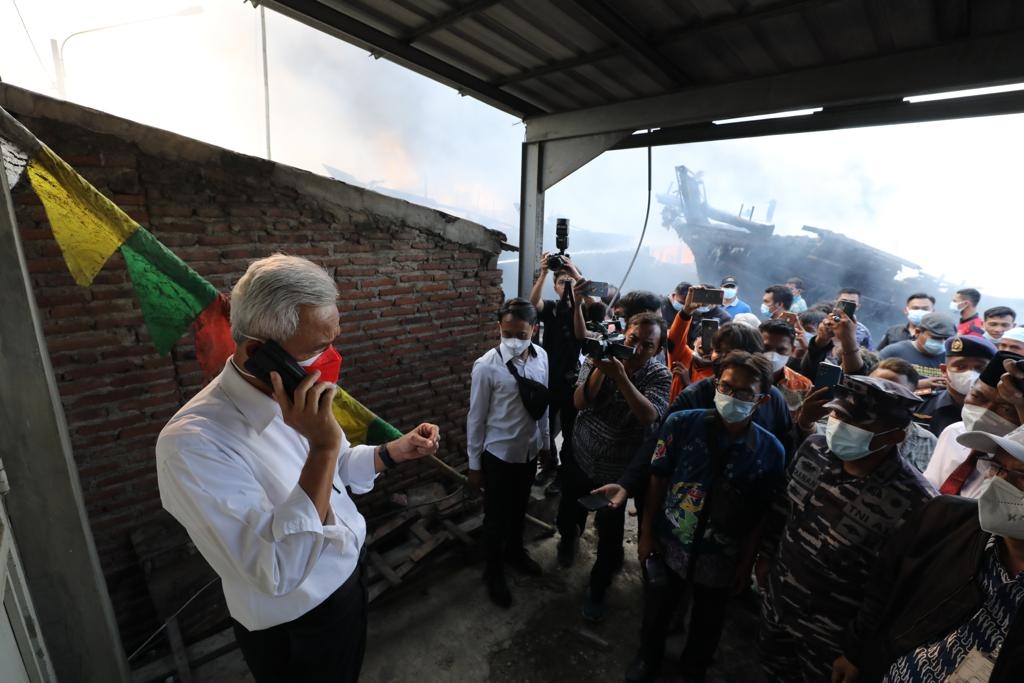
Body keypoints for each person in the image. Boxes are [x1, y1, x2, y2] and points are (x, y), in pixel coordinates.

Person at [156, 254, 441, 683]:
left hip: (349, 578)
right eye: (316, 350)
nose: (330, 359)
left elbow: (338, 469)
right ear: (259, 353)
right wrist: (321, 447)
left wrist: (392, 452)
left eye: (332, 341)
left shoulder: (293, 397)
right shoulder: (192, 444)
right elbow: (276, 568)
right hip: (299, 622)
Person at [757, 376, 935, 682]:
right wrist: (765, 555)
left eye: (856, 422)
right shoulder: (814, 450)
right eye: (837, 414)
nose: (839, 426)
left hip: (831, 638)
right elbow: (784, 508)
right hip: (778, 604)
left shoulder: (915, 500)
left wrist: (856, 651)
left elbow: (893, 587)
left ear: (894, 436)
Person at [625, 352, 786, 683]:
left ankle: (693, 668)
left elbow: (760, 513)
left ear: (762, 400)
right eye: (726, 386)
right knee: (657, 610)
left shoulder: (770, 451)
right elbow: (658, 481)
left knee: (708, 621)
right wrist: (647, 534)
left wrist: (746, 562)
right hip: (671, 543)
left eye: (744, 392)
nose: (732, 396)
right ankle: (647, 657)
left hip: (722, 557)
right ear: (715, 385)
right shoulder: (682, 424)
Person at [835, 425, 1024, 682]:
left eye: (1022, 476)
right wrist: (856, 651)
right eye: (998, 468)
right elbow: (883, 587)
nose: (999, 483)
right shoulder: (945, 519)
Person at [559, 312, 672, 619]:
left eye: (648, 345)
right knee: (569, 509)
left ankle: (598, 587)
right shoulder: (600, 355)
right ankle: (568, 540)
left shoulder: (659, 375)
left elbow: (649, 416)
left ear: (658, 349)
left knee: (610, 534)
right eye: (633, 339)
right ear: (624, 334)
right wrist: (600, 367)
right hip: (581, 454)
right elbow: (580, 402)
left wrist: (621, 377)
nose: (637, 349)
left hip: (617, 472)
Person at [466, 298, 550, 607]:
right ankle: (493, 571)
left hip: (528, 453)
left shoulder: (542, 358)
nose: (514, 340)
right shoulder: (487, 366)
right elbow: (475, 419)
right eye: (507, 333)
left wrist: (545, 444)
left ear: (534, 330)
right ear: (499, 328)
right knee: (495, 517)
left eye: (521, 334)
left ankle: (515, 552)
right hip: (498, 455)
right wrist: (475, 465)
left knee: (519, 509)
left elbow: (542, 406)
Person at [924, 352, 1023, 498]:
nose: (984, 413)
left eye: (1006, 409)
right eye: (977, 397)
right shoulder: (953, 432)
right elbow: (929, 486)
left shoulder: (1018, 464)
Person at [529, 251, 585, 488]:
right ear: (555, 287)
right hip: (549, 377)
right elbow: (534, 303)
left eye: (570, 281)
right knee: (546, 426)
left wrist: (575, 274)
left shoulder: (585, 308)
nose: (566, 286)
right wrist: (543, 272)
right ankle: (549, 465)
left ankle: (565, 472)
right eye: (562, 282)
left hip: (574, 381)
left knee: (571, 430)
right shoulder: (551, 309)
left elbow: (597, 301)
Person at [917, 335, 997, 437]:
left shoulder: (1001, 413)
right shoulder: (921, 404)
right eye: (960, 366)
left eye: (980, 368)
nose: (970, 374)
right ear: (944, 370)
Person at [878, 312, 956, 390]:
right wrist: (916, 385)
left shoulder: (951, 357)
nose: (942, 342)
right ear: (917, 332)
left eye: (947, 339)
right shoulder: (894, 352)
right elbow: (875, 381)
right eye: (936, 338)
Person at [759, 319, 813, 413]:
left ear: (792, 350)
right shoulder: (739, 377)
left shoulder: (803, 385)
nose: (772, 356)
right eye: (766, 348)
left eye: (781, 350)